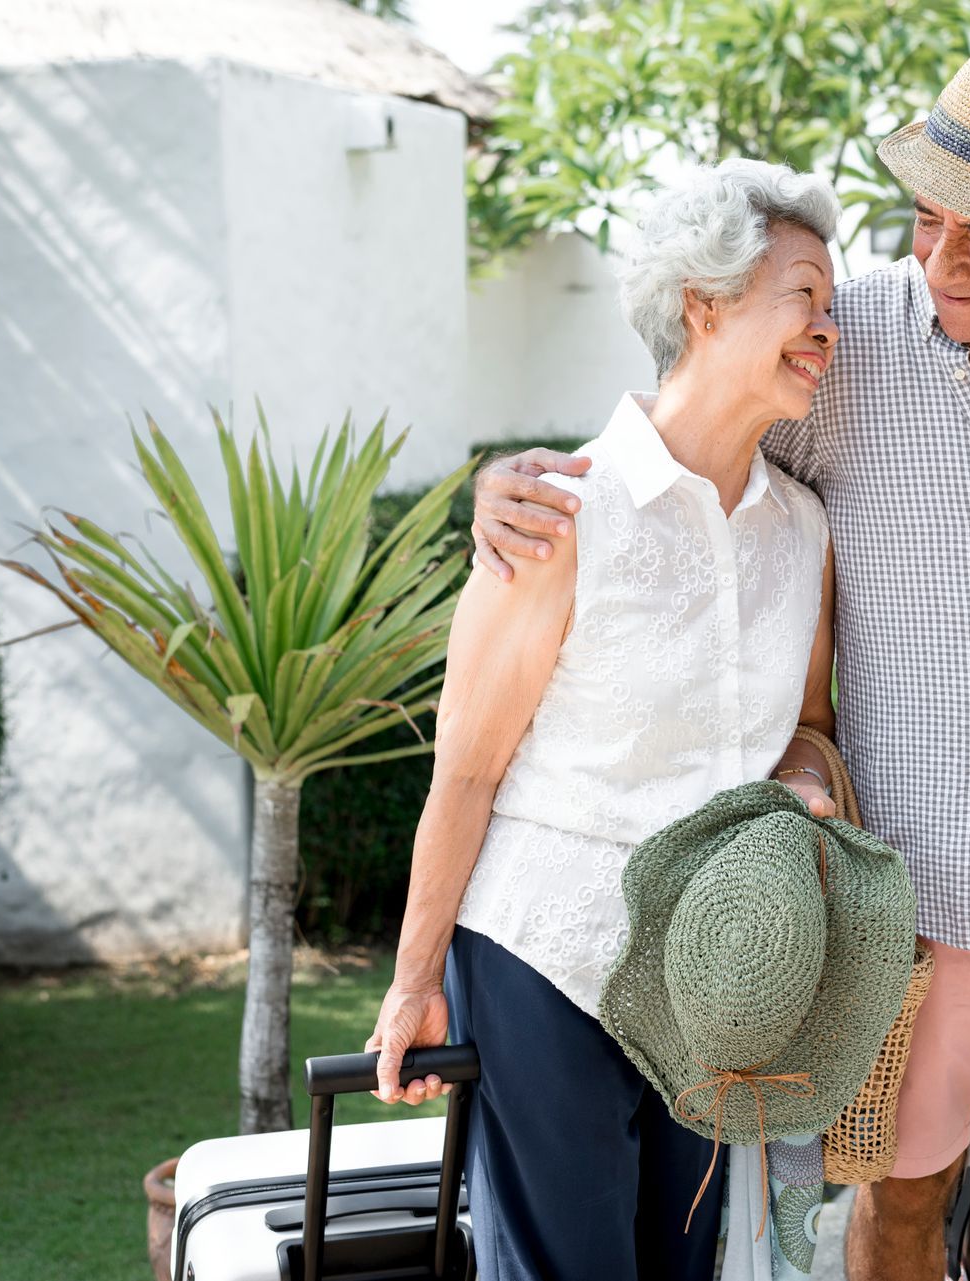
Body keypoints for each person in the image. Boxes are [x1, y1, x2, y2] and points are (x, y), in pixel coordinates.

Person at [471, 41, 970, 1281]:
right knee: (900, 1197)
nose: (942, 259)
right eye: (928, 220)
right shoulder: (853, 339)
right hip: (923, 885)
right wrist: (511, 484)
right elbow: (682, 430)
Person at [363, 158, 846, 1281]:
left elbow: (807, 726)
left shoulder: (804, 531)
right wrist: (412, 980)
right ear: (706, 303)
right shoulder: (557, 515)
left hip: (714, 975)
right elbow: (469, 772)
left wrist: (807, 790)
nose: (828, 331)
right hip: (549, 954)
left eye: (832, 310)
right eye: (804, 301)